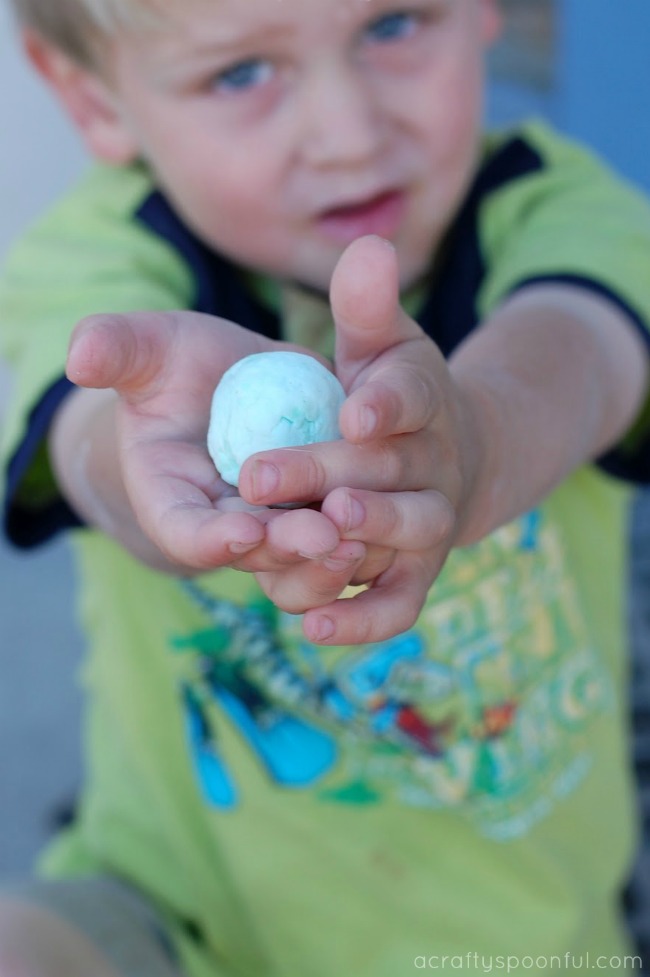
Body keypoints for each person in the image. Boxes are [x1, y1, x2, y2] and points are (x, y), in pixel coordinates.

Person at [1, 0, 650, 974]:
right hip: (175, 910)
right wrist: (144, 476)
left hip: (520, 945)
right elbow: (90, 426)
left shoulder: (563, 208)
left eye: (392, 24)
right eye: (239, 74)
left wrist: (472, 440)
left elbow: (580, 350)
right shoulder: (92, 261)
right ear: (89, 97)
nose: (348, 136)